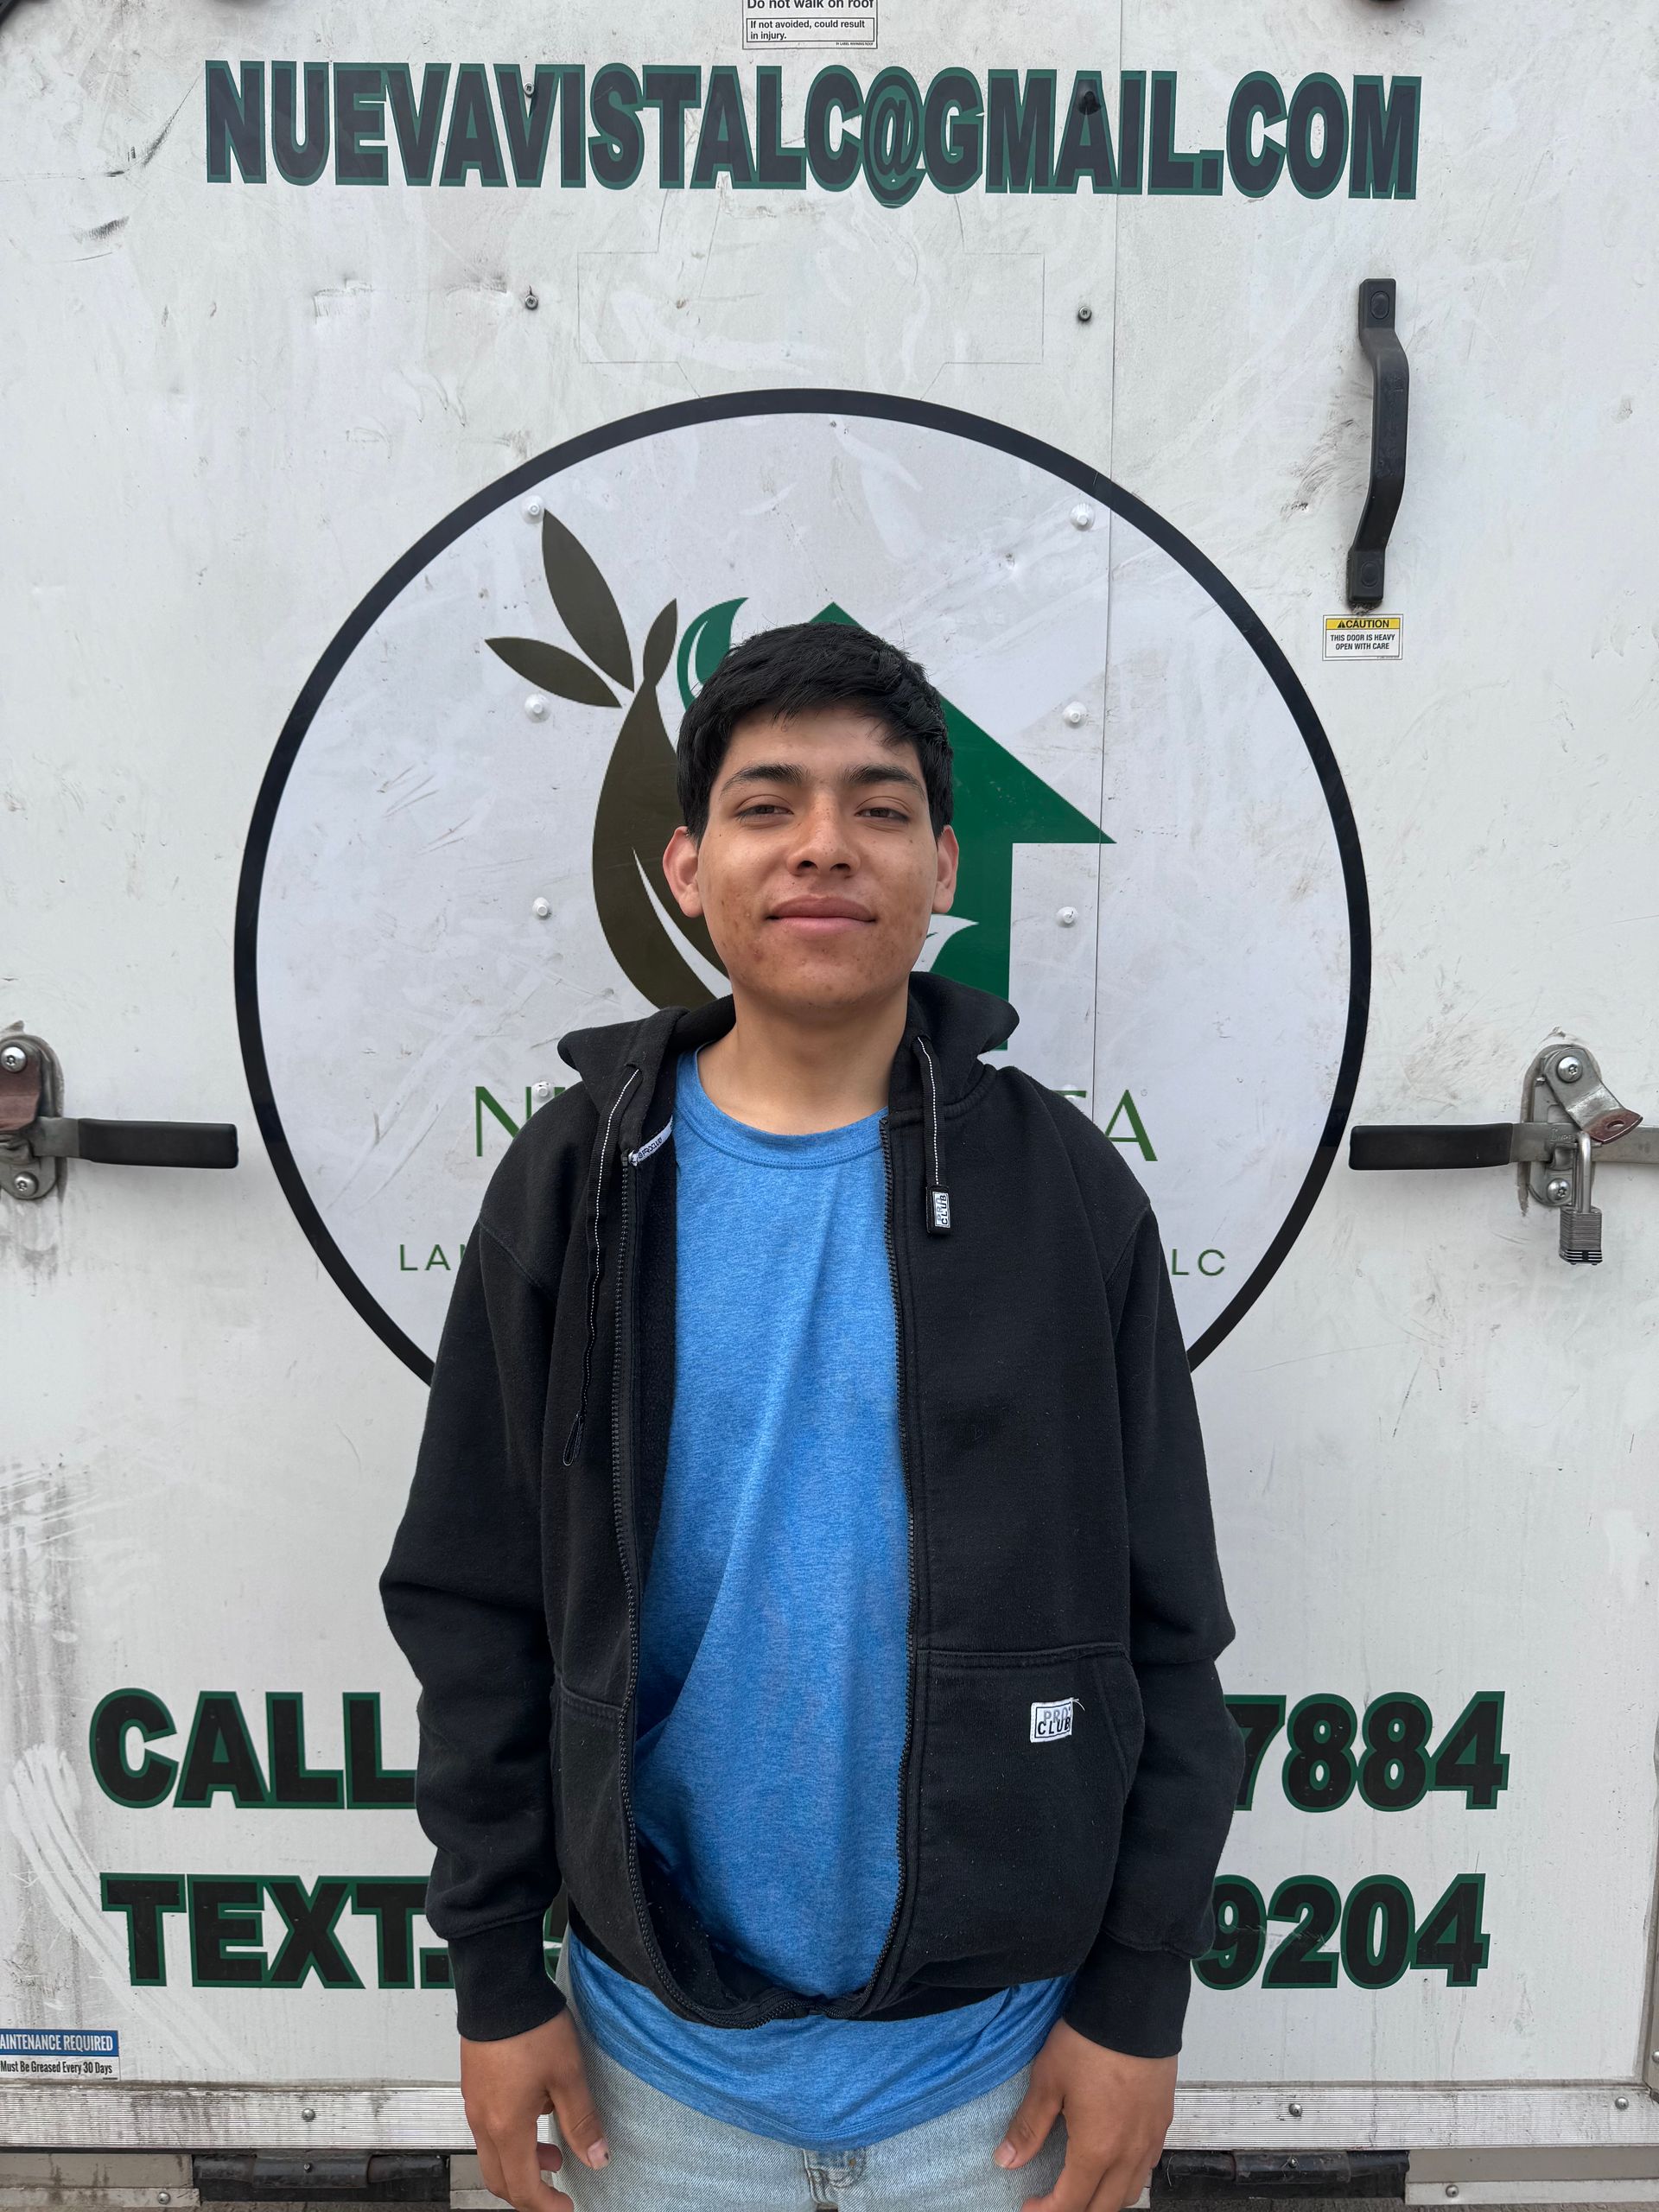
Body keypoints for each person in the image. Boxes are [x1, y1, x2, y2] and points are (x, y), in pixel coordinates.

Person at [380, 620, 1244, 2212]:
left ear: (944, 864)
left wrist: (1137, 1995)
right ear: (688, 866)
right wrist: (496, 1977)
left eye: (881, 804)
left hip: (996, 2077)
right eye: (770, 804)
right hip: (654, 2080)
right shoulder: (572, 1187)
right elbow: (475, 1603)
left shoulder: (1064, 1194)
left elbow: (1166, 1629)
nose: (825, 847)